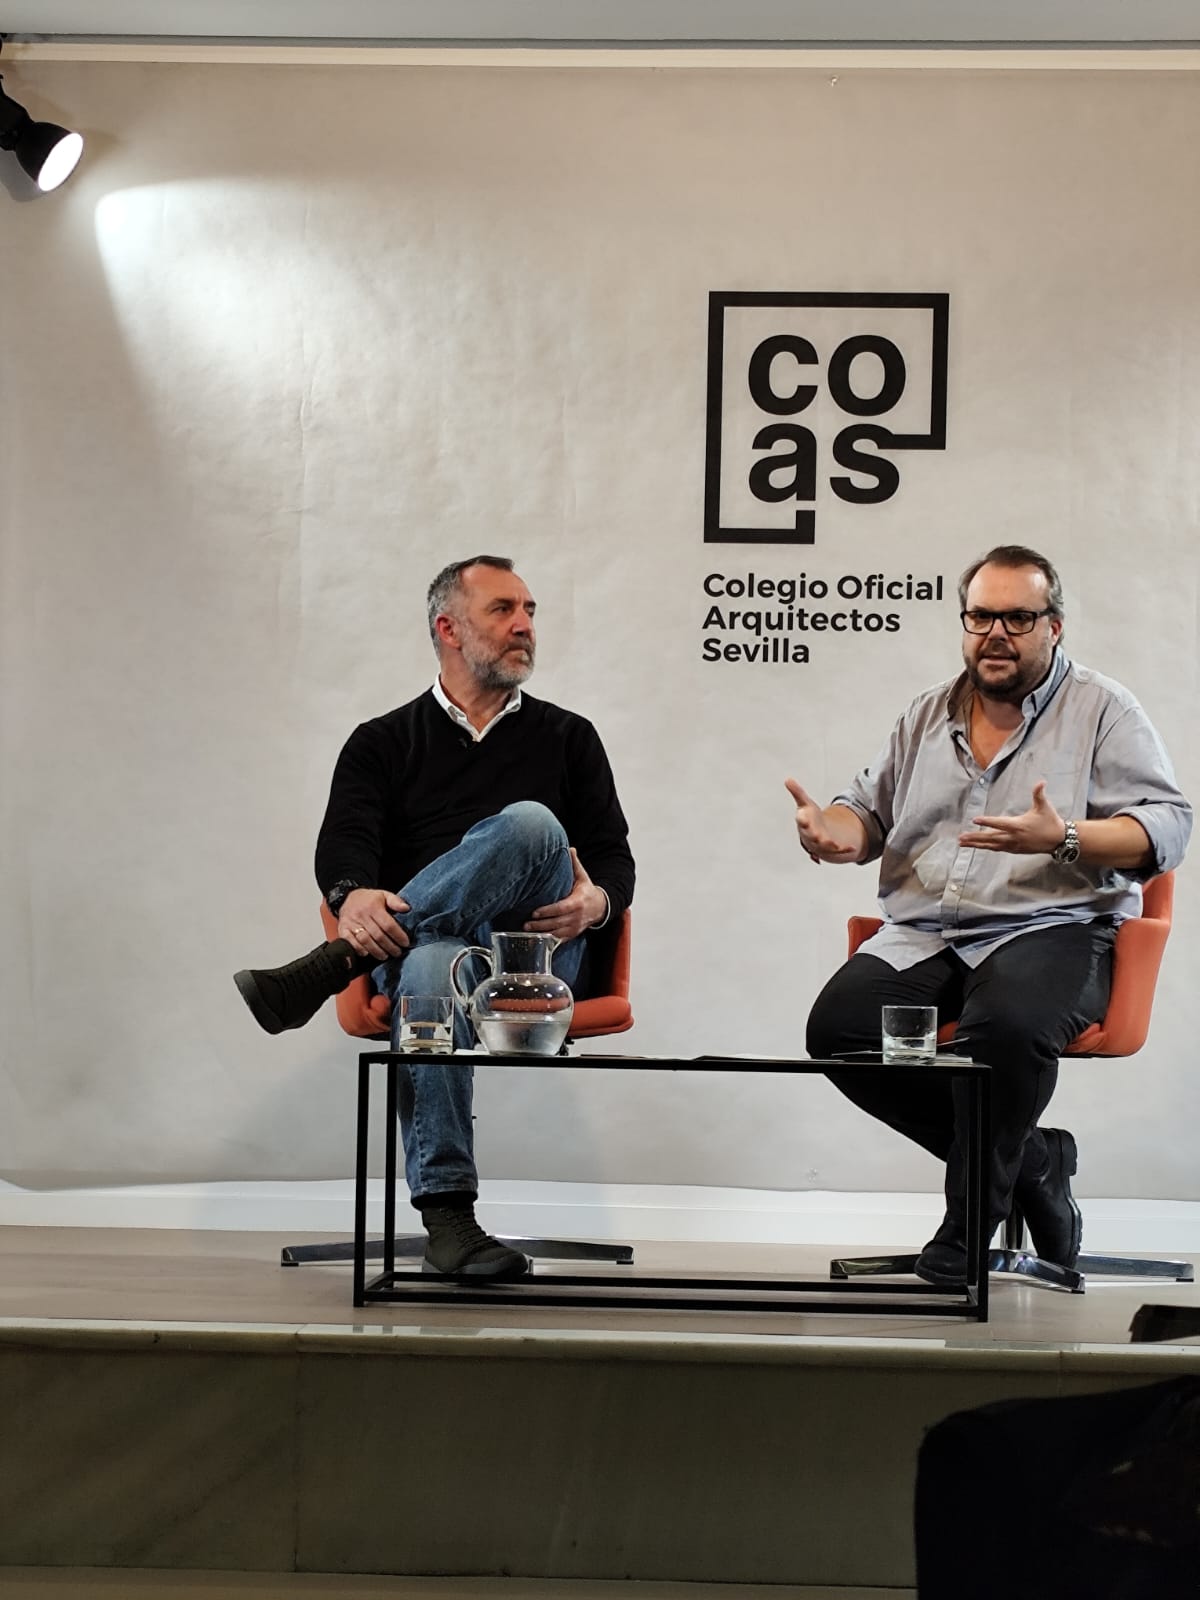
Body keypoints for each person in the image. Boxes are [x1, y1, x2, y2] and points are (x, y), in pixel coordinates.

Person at [788, 545, 1190, 1286]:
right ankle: (1033, 1160)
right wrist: (834, 834)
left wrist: (1065, 838)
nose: (996, 633)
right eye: (981, 617)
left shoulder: (1104, 710)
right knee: (839, 1033)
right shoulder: (926, 713)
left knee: (1004, 1028)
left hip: (1052, 924)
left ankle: (966, 1225)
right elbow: (865, 813)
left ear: (1053, 627)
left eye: (1018, 618)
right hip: (929, 930)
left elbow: (1167, 827)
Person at [235, 555, 635, 1282]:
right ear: (448, 628)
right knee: (427, 962)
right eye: (503, 610)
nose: (525, 625)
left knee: (532, 824)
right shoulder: (382, 741)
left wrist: (598, 902)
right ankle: (450, 1219)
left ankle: (334, 966)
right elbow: (344, 844)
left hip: (535, 956)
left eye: (530, 610)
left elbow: (614, 858)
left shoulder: (569, 737)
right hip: (430, 954)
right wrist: (352, 895)